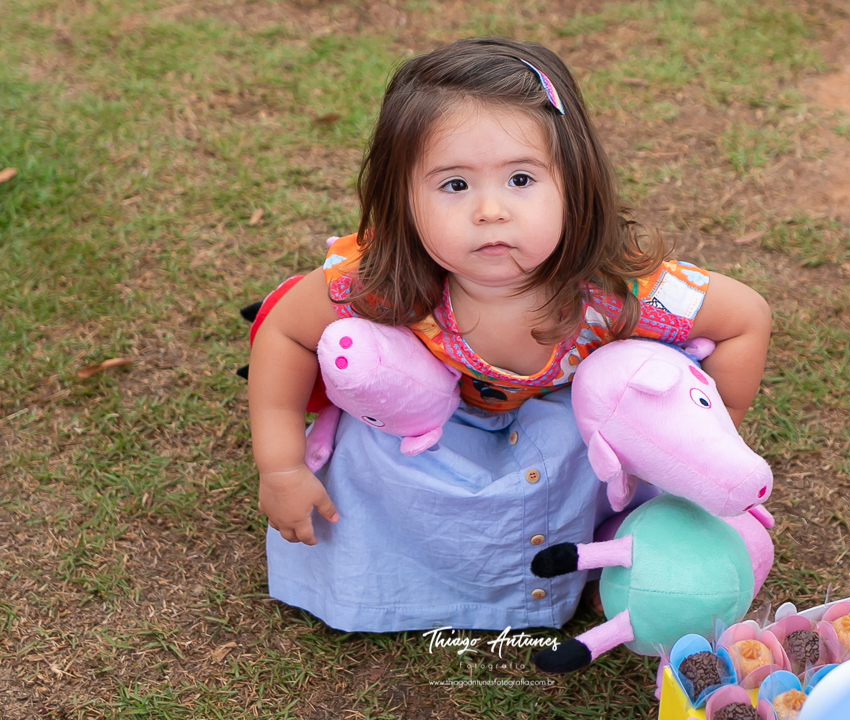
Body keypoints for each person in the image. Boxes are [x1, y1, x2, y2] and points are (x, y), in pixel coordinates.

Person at [247, 38, 771, 633]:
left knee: (617, 416)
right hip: (428, 425)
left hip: (574, 429)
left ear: (574, 183)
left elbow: (744, 317)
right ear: (403, 200)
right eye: (454, 186)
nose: (490, 210)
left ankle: (616, 541)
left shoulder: (623, 286)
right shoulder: (384, 280)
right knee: (370, 456)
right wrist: (282, 467)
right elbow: (285, 331)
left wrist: (702, 438)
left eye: (521, 179)